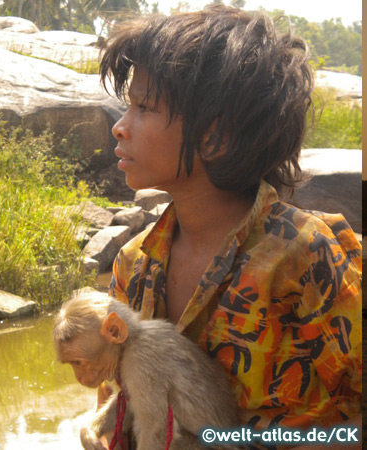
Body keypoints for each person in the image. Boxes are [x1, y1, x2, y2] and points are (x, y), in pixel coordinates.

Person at [97, 4, 361, 449]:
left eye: (143, 107)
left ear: (215, 137)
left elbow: (353, 421)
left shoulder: (304, 257)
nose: (121, 127)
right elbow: (118, 407)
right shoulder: (132, 265)